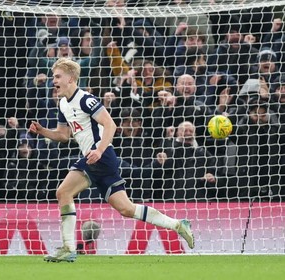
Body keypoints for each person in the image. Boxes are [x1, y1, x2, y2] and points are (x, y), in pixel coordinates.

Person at [29, 58, 194, 262]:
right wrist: (42, 131)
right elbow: (63, 136)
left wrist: (99, 150)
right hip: (94, 158)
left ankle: (68, 248)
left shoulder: (86, 100)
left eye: (57, 76)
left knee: (64, 192)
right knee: (126, 208)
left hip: (100, 156)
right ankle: (178, 225)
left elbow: (111, 125)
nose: (54, 81)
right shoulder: (63, 104)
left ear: (70, 78)